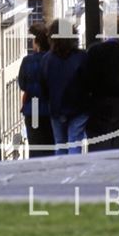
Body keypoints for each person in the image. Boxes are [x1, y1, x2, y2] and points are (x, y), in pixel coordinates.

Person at [86, 15, 119, 151]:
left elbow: (87, 79)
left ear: (105, 29)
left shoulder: (94, 51)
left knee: (100, 148)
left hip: (99, 105)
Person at [40, 19, 89, 155]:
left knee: (60, 144)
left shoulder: (47, 60)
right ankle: (74, 170)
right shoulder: (82, 57)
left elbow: (43, 87)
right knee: (74, 141)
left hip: (56, 108)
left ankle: (61, 172)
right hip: (79, 107)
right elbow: (89, 82)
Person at [17, 22, 54, 157]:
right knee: (51, 144)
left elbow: (22, 84)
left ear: (37, 43)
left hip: (33, 107)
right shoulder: (53, 60)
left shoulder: (28, 61)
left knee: (36, 144)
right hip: (51, 107)